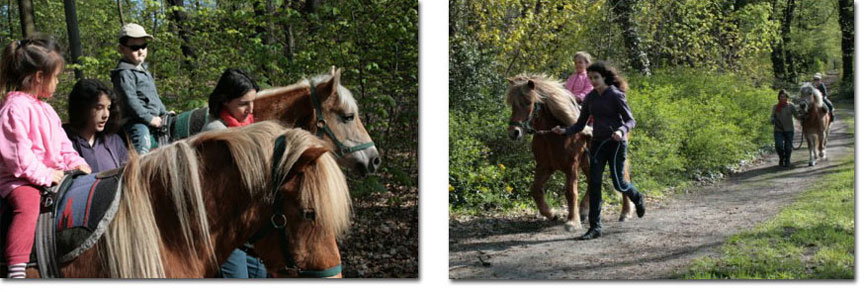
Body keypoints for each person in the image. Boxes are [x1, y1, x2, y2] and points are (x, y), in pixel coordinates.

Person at [0, 36, 92, 278]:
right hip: (20, 180)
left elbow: (63, 144)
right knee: (27, 207)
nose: (58, 81)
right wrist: (45, 174)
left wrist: (77, 163)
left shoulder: (48, 110)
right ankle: (17, 268)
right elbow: (19, 158)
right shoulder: (14, 109)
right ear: (40, 77)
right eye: (56, 76)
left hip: (53, 175)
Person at [552, 61, 646, 240]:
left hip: (616, 144)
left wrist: (621, 131)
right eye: (590, 78)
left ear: (604, 77)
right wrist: (564, 131)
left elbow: (630, 120)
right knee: (594, 184)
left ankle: (637, 196)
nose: (593, 81)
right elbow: (580, 125)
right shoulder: (590, 98)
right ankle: (595, 227)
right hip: (597, 144)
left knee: (619, 183)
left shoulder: (615, 95)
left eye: (596, 77)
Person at [201, 68, 266, 278]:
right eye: (244, 103)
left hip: (246, 228)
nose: (251, 109)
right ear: (225, 101)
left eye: (253, 102)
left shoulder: (248, 126)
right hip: (222, 230)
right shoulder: (215, 132)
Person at [111, 23, 168, 155]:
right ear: (122, 49)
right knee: (142, 139)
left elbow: (154, 96)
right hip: (134, 121)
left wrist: (164, 112)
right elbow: (131, 101)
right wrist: (149, 119)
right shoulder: (124, 73)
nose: (141, 51)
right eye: (135, 47)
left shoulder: (143, 70)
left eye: (143, 46)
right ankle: (139, 163)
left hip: (153, 116)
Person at [64, 79, 129, 173]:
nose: (106, 115)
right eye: (99, 108)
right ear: (82, 107)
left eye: (108, 108)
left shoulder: (114, 141)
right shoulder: (63, 140)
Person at [771, 89, 795, 167]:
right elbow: (772, 116)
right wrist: (772, 119)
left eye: (784, 96)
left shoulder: (791, 106)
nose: (783, 98)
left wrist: (803, 117)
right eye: (781, 96)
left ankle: (787, 160)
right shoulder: (775, 107)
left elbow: (797, 115)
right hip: (778, 129)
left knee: (788, 147)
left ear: (787, 97)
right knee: (778, 145)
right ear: (779, 97)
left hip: (789, 130)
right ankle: (781, 158)